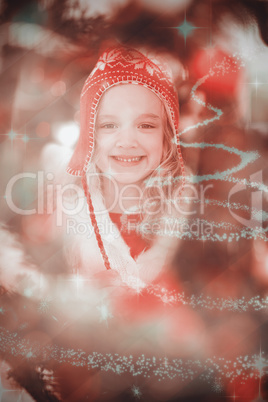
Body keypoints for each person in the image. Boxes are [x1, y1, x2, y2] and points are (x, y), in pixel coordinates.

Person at [64, 46, 186, 290]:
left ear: (167, 137)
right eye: (109, 125)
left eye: (146, 126)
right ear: (90, 136)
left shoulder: (187, 203)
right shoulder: (67, 205)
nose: (128, 141)